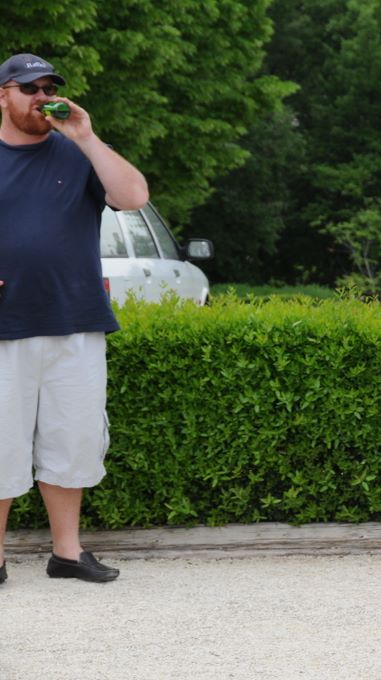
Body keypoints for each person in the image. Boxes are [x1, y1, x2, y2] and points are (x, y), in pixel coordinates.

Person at [0, 53, 149, 584]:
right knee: (1, 444)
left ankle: (67, 554)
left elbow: (133, 196)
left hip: (76, 320)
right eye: (29, 88)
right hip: (4, 327)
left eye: (48, 88)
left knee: (73, 441)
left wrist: (86, 136)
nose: (42, 97)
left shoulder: (78, 152)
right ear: (3, 96)